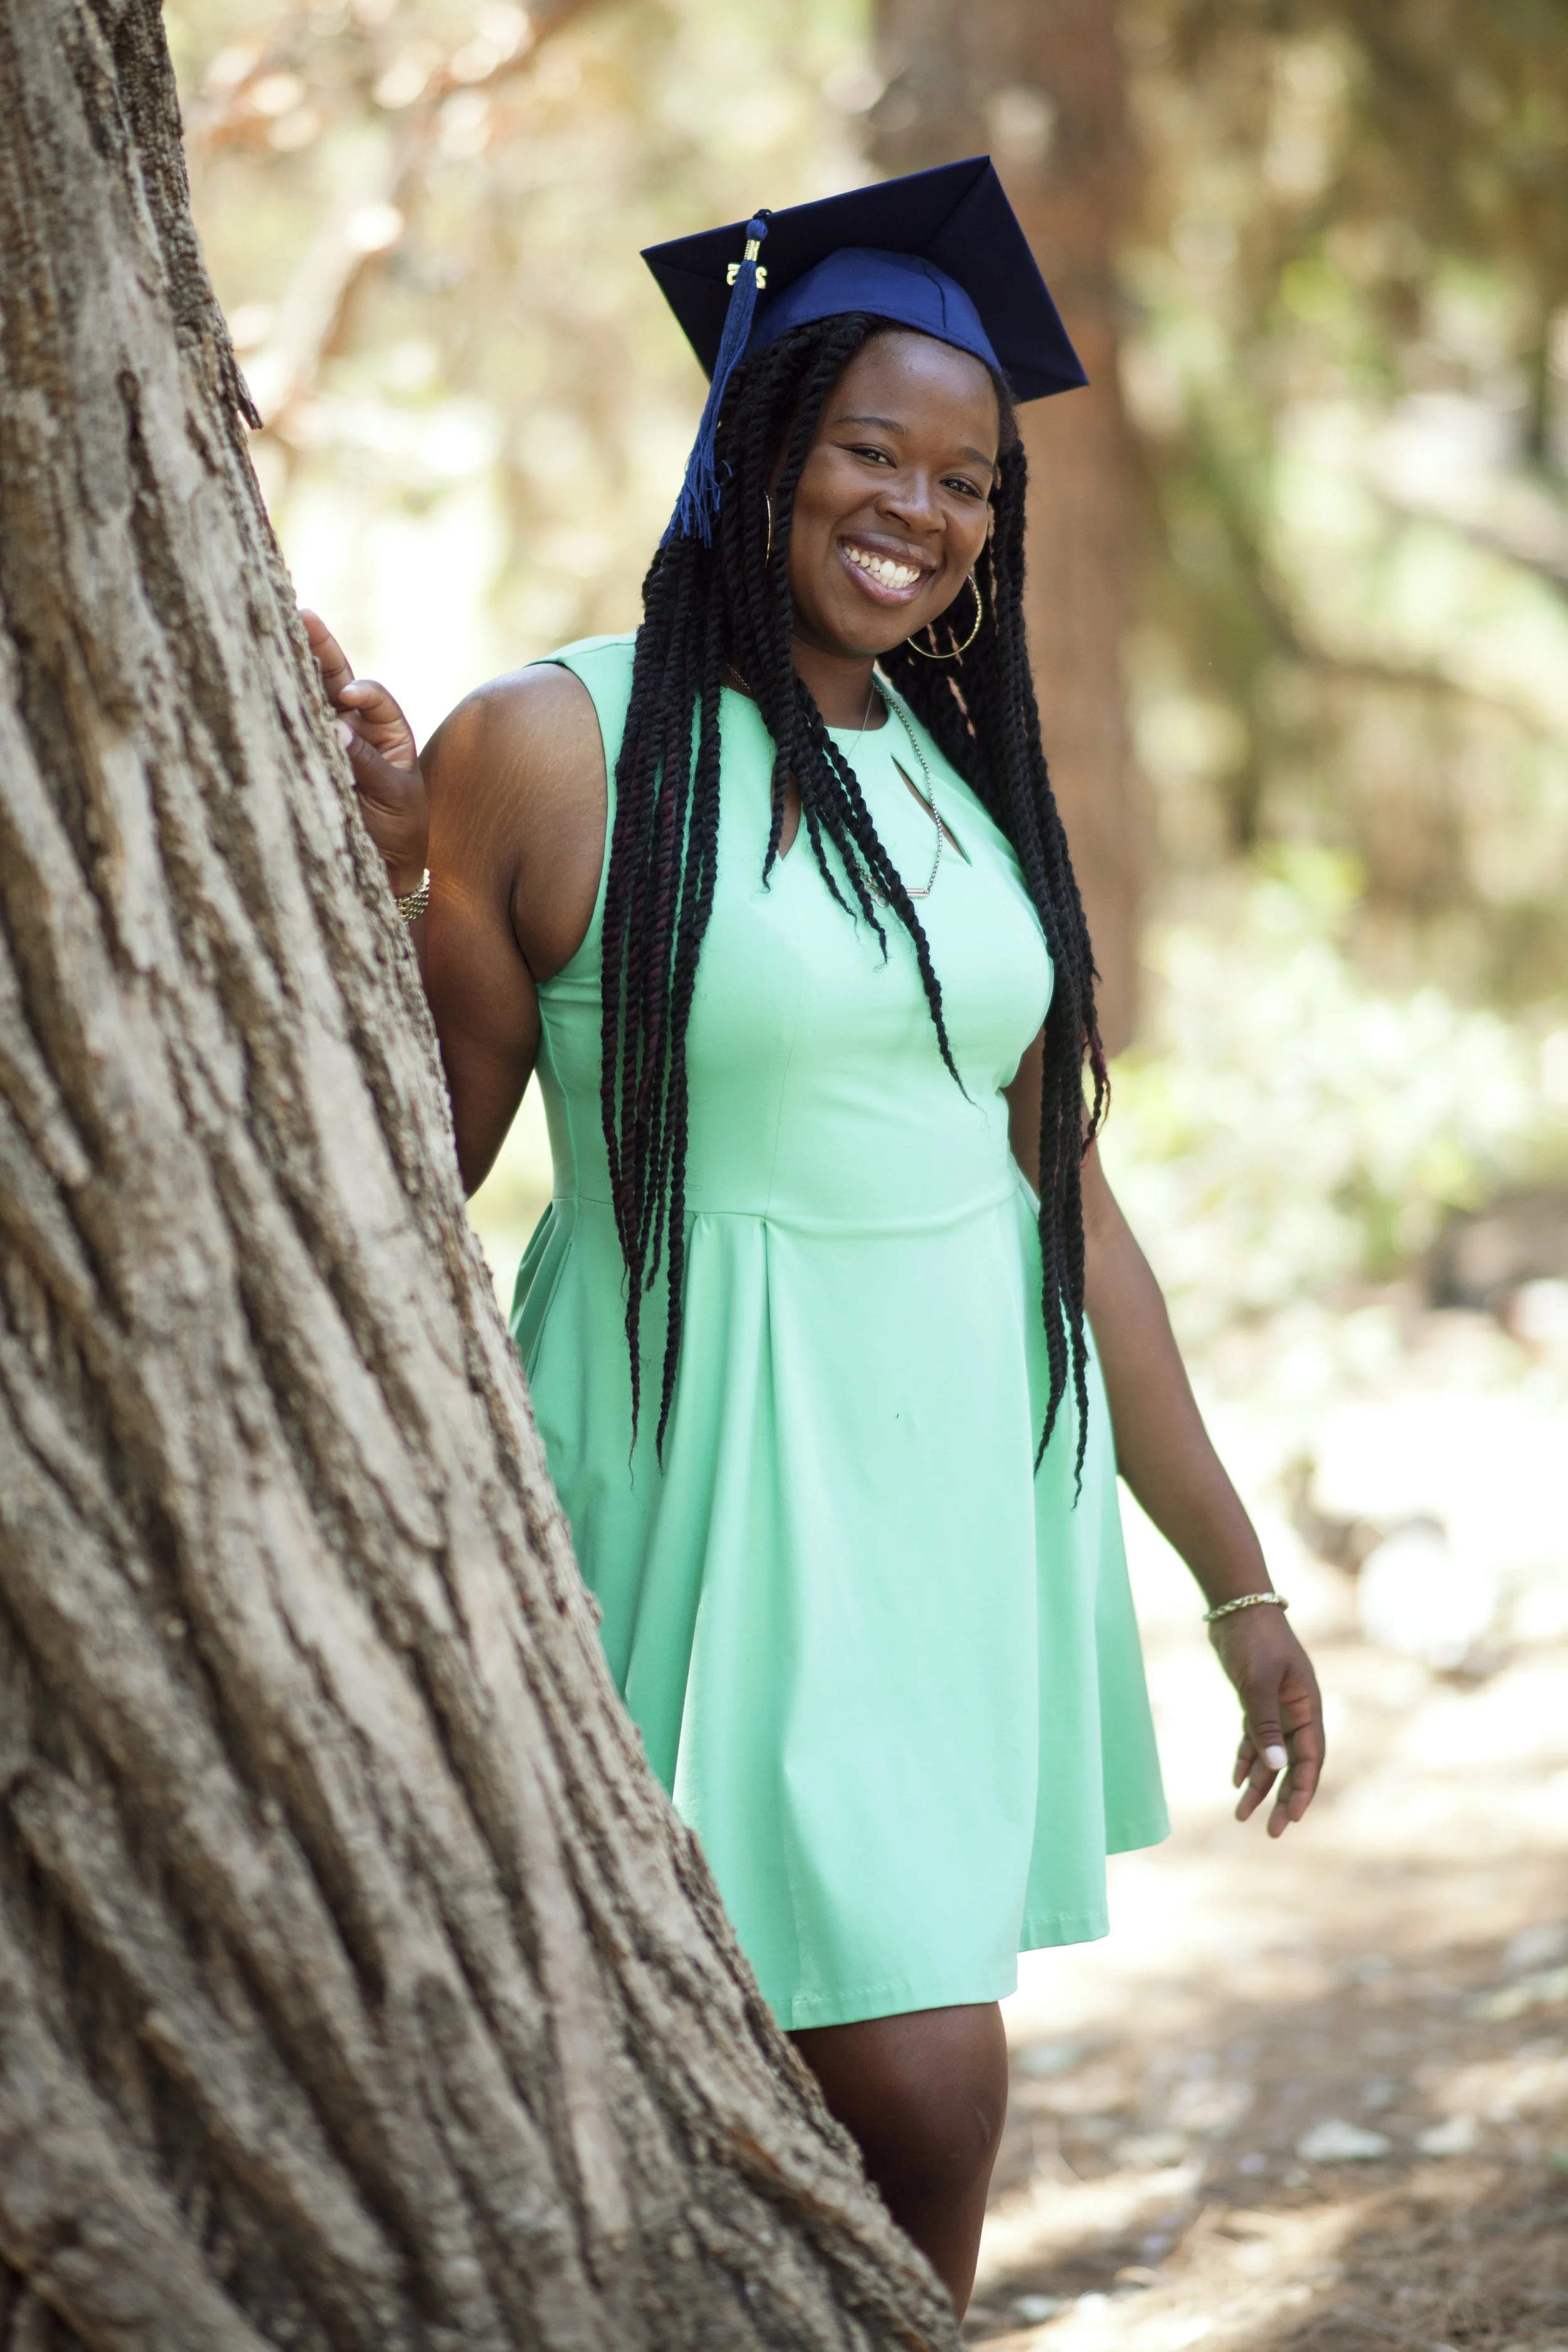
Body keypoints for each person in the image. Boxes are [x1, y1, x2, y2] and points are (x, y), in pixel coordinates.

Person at [305, 156, 1325, 2319]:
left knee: (896, 2091)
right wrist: (386, 883)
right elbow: (410, 1161)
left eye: (966, 481)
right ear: (759, 442)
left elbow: (1067, 1205)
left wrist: (1234, 1577)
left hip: (948, 1498)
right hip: (699, 1456)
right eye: (874, 450)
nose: (920, 511)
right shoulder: (552, 740)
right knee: (889, 2085)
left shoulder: (962, 779)